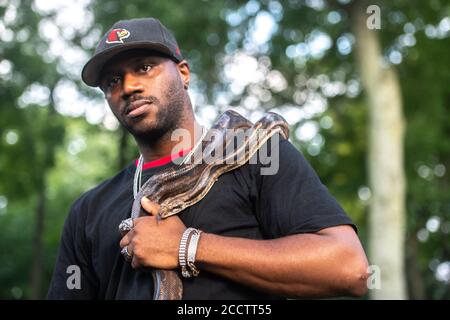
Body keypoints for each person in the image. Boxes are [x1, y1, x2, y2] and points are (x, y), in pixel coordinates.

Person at [47, 17, 369, 300]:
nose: (128, 86)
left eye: (144, 67)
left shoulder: (259, 154)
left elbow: (347, 266)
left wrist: (188, 246)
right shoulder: (87, 211)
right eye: (112, 82)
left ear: (184, 73)